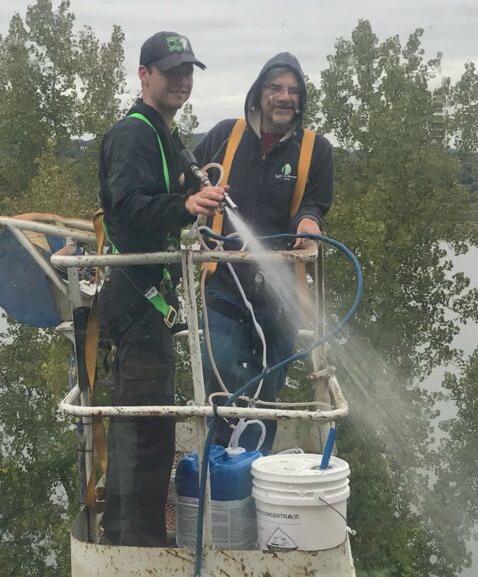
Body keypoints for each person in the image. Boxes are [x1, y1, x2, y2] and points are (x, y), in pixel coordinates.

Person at [96, 31, 226, 547]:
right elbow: (126, 206)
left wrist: (196, 193)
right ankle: (138, 542)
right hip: (135, 296)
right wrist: (185, 207)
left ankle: (128, 532)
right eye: (171, 71)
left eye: (188, 71)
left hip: (146, 296)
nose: (182, 80)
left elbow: (165, 192)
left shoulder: (163, 133)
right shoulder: (134, 135)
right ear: (143, 75)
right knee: (147, 430)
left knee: (146, 423)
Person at [193, 52, 334, 455]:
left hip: (280, 293)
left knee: (267, 392)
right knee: (220, 382)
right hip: (224, 284)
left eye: (293, 90)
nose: (284, 97)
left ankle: (255, 472)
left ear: (301, 100)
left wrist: (310, 224)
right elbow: (186, 180)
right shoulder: (225, 135)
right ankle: (218, 472)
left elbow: (314, 204)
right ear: (258, 94)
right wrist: (197, 195)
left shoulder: (315, 150)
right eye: (275, 88)